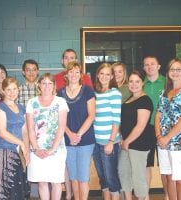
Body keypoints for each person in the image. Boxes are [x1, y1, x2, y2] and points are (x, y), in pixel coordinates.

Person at [155, 59, 181, 200]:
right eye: (172, 69)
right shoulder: (164, 93)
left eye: (178, 69)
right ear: (168, 72)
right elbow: (158, 115)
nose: (175, 72)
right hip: (163, 144)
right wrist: (159, 136)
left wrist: (167, 138)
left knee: (180, 179)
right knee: (169, 178)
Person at [54, 48, 92, 199]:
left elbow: (91, 115)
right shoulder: (60, 93)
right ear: (66, 74)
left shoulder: (88, 91)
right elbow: (59, 118)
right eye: (71, 72)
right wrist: (70, 134)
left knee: (83, 178)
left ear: (81, 74)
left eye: (77, 72)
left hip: (86, 139)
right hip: (67, 140)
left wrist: (78, 135)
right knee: (73, 177)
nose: (74, 75)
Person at [26, 73, 69, 200]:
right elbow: (30, 129)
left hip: (56, 150)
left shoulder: (60, 102)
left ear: (54, 85)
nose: (46, 86)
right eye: (43, 83)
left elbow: (61, 127)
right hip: (37, 150)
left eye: (50, 83)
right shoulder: (31, 103)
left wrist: (52, 149)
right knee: (42, 182)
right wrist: (37, 149)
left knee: (56, 183)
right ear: (39, 85)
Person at [0, 77, 30, 199]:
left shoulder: (22, 108)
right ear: (3, 91)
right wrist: (21, 144)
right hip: (4, 153)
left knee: (18, 190)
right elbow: (2, 132)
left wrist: (27, 148)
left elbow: (25, 131)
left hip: (18, 154)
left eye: (14, 89)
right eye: (8, 89)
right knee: (3, 191)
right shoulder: (0, 108)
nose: (12, 92)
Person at [118, 71, 154, 200]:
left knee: (138, 177)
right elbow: (125, 123)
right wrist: (123, 139)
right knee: (123, 173)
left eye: (137, 81)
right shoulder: (129, 99)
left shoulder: (145, 100)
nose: (134, 84)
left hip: (139, 144)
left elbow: (140, 126)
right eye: (131, 81)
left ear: (142, 83)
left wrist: (127, 141)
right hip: (126, 143)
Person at [93, 63, 121, 200]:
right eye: (101, 73)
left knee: (111, 177)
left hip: (109, 143)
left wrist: (110, 141)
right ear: (98, 75)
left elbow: (116, 120)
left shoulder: (114, 93)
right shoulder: (95, 93)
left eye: (107, 74)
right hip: (96, 143)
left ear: (111, 77)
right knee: (102, 176)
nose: (104, 76)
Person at [143, 56, 166, 200]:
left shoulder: (167, 82)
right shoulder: (140, 83)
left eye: (152, 64)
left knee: (165, 166)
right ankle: (145, 196)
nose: (149, 66)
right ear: (144, 68)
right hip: (145, 130)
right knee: (146, 165)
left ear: (158, 66)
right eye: (146, 65)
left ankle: (168, 195)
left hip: (164, 130)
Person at [17, 59, 40, 198]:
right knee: (25, 165)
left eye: (33, 69)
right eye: (28, 69)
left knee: (38, 167)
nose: (31, 72)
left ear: (38, 71)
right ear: (23, 72)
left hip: (40, 135)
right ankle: (25, 195)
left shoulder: (44, 88)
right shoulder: (18, 90)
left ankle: (36, 196)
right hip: (23, 135)